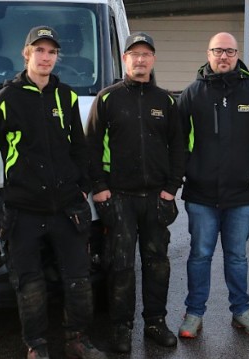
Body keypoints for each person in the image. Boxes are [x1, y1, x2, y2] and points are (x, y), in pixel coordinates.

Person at [0, 25, 105, 359]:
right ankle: (37, 346)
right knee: (30, 286)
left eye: (52, 52)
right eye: (40, 50)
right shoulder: (5, 100)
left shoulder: (67, 96)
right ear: (26, 53)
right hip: (23, 211)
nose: (46, 57)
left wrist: (81, 192)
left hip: (65, 209)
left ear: (57, 57)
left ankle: (77, 340)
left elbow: (82, 149)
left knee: (78, 281)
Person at [175, 32, 249, 339]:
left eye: (229, 52)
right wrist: (187, 170)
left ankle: (241, 311)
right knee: (200, 255)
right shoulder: (192, 94)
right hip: (201, 194)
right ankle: (194, 313)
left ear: (237, 56)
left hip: (242, 194)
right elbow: (176, 139)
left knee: (237, 256)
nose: (223, 57)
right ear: (208, 54)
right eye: (218, 51)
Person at [87, 32, 184, 353]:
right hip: (120, 200)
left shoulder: (167, 101)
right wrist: (100, 190)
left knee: (157, 264)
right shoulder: (107, 99)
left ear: (153, 59)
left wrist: (171, 190)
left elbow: (179, 149)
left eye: (146, 54)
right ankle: (121, 326)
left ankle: (156, 322)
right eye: (134, 54)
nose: (140, 60)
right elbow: (90, 148)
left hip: (157, 199)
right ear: (124, 59)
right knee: (121, 266)